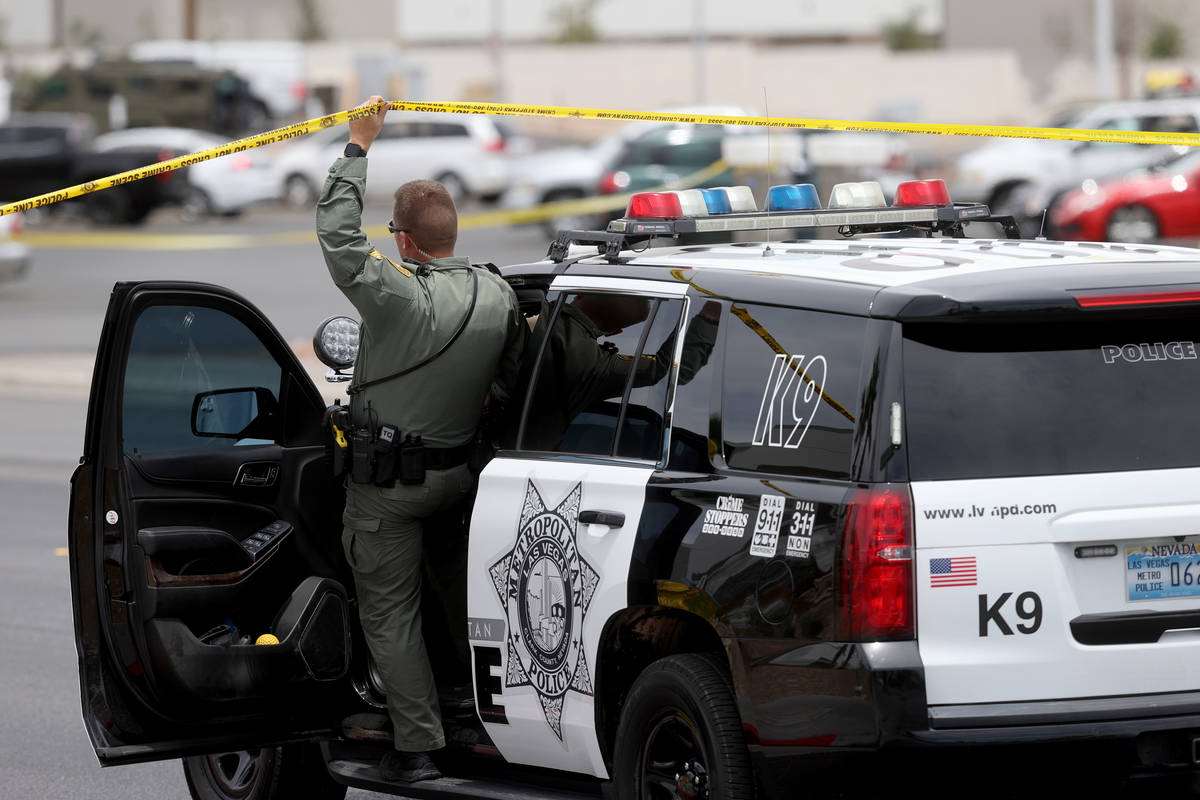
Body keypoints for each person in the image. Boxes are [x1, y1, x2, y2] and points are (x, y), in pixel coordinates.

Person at [316, 96, 524, 783]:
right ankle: (471, 711)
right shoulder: (498, 296)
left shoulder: (399, 296)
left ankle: (420, 747)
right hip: (463, 480)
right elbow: (515, 380)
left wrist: (356, 148)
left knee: (391, 615)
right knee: (460, 601)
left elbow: (340, 242)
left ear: (403, 240)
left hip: (391, 494)